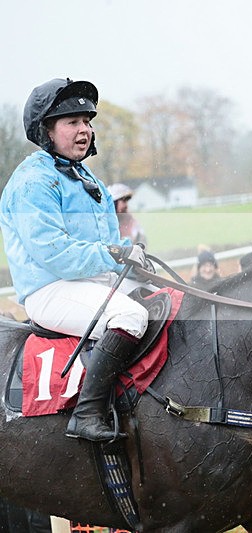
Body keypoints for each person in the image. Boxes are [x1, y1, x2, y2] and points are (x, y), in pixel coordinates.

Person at [0, 78, 154, 442]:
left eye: (87, 121)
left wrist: (134, 261)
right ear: (47, 131)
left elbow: (110, 246)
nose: (84, 130)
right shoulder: (34, 182)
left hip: (91, 283)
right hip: (50, 290)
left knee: (166, 303)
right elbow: (55, 254)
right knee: (130, 316)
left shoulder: (89, 180)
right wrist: (115, 254)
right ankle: (87, 413)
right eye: (73, 122)